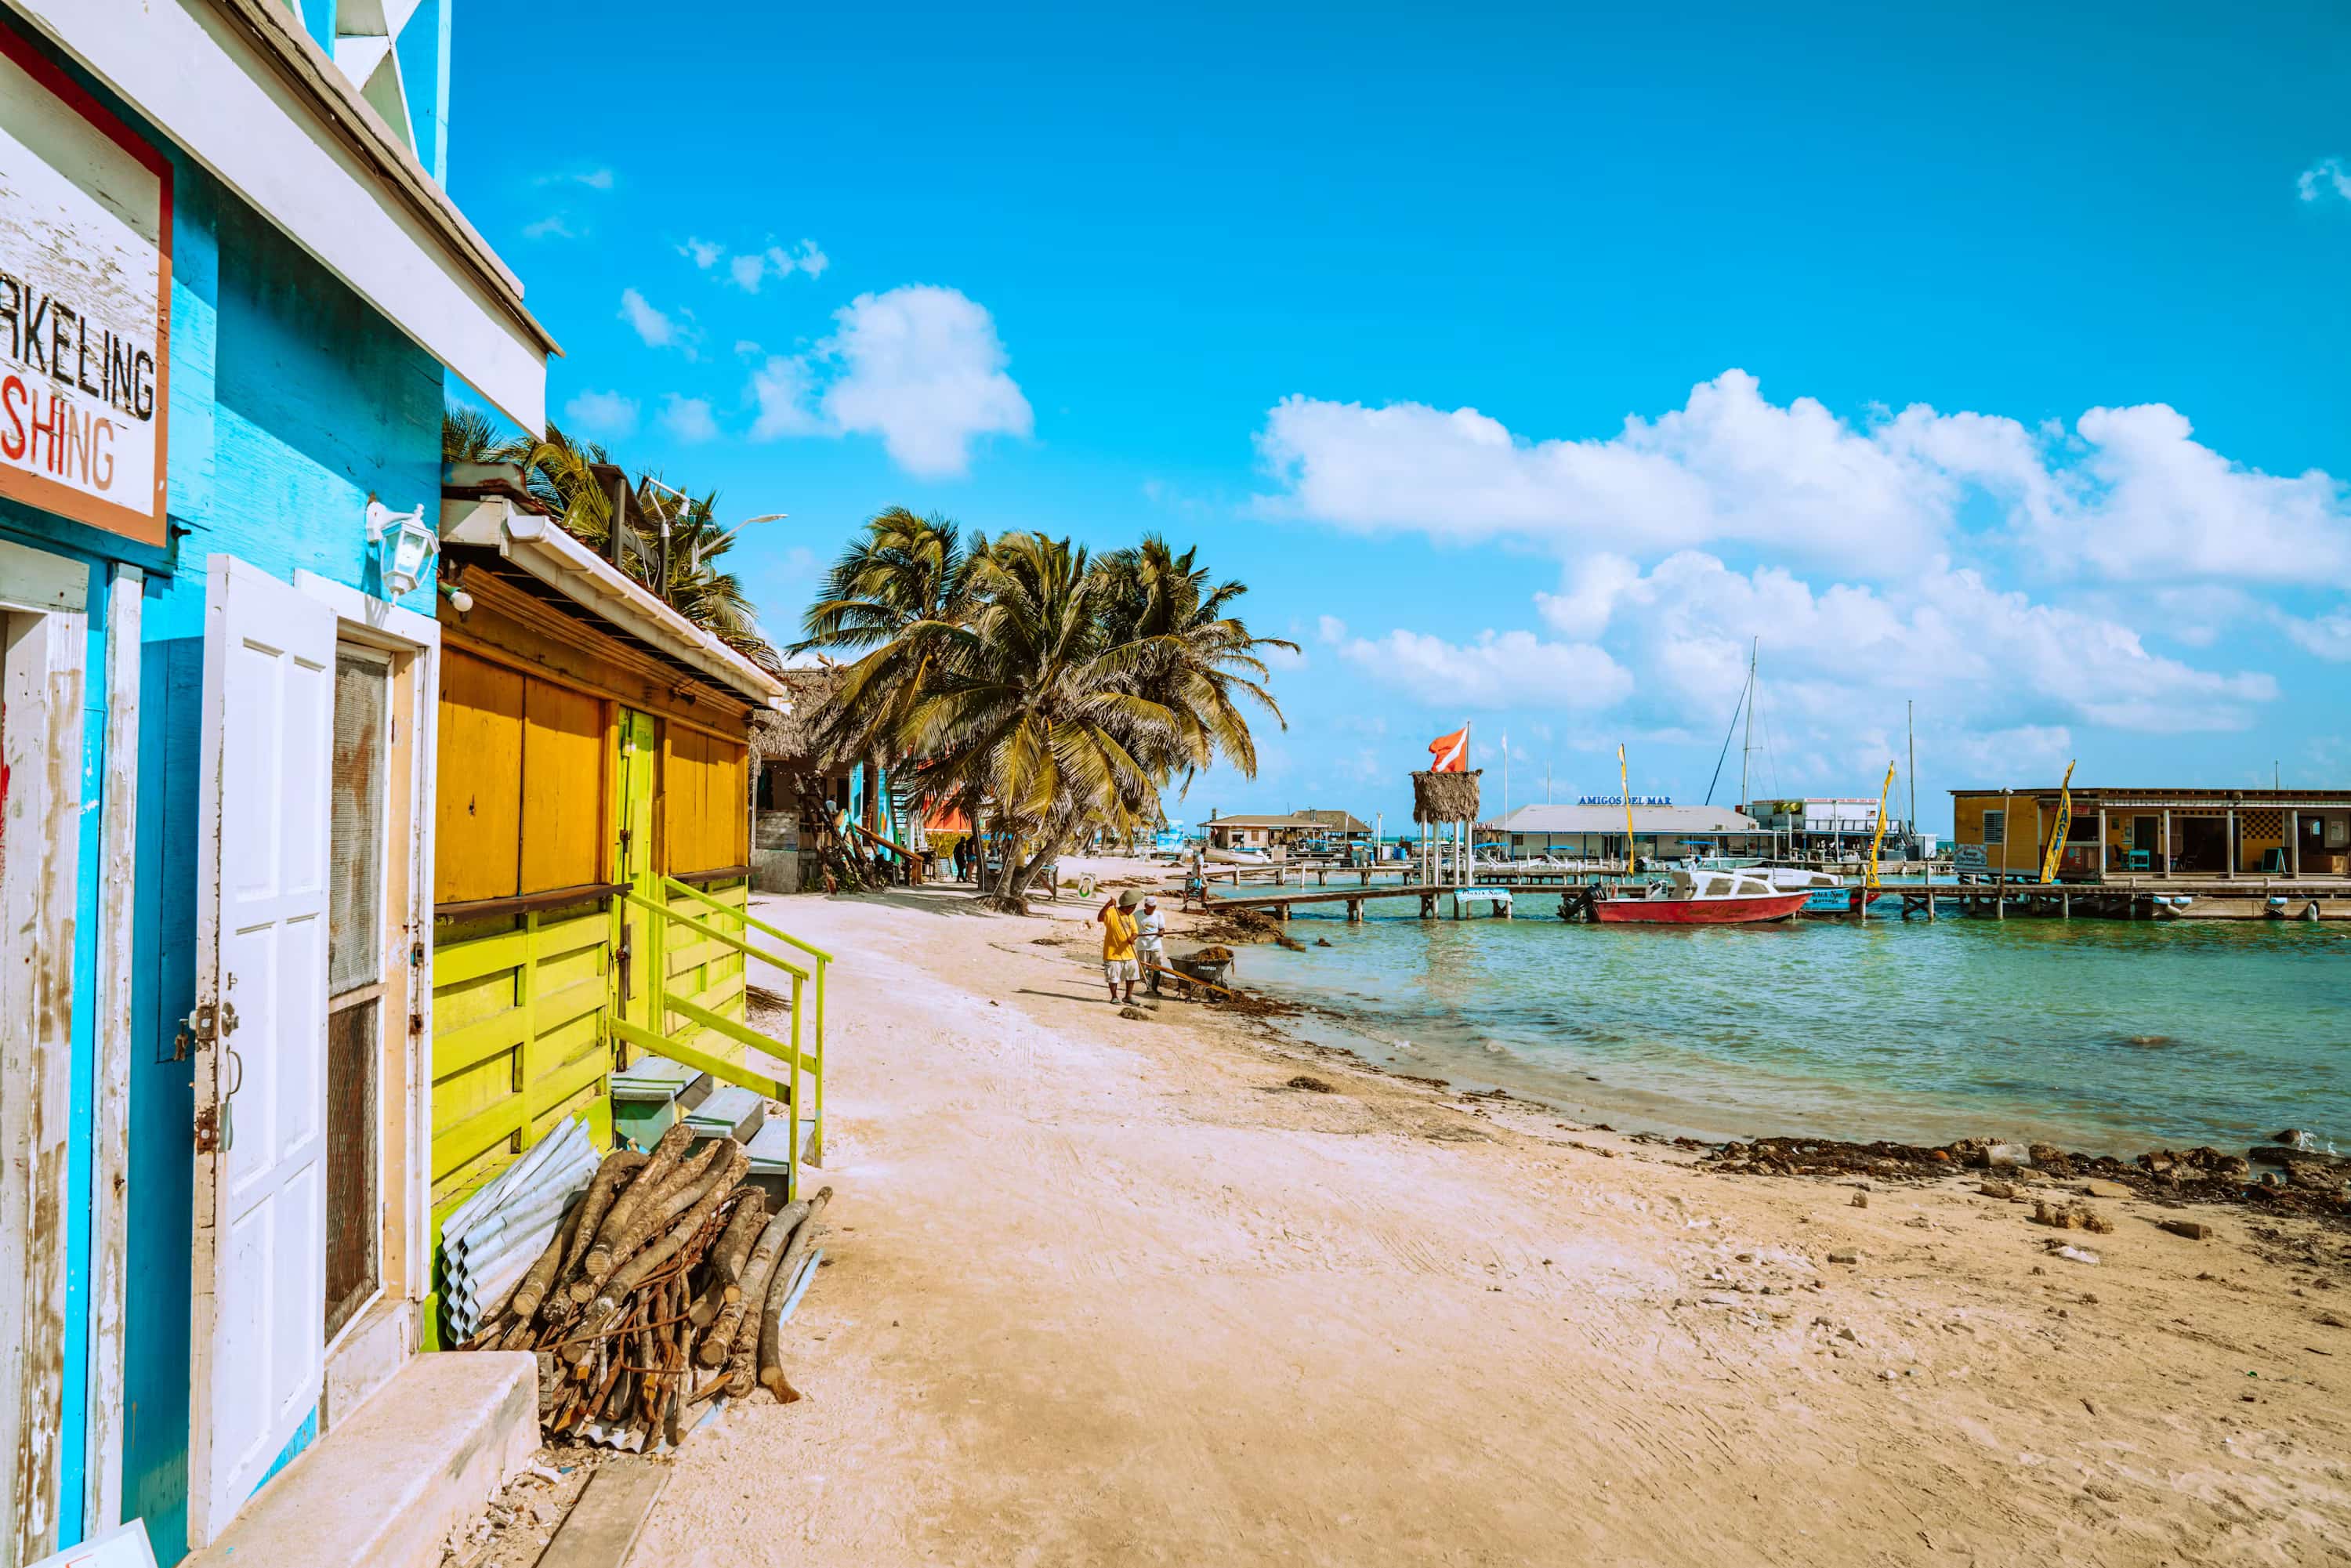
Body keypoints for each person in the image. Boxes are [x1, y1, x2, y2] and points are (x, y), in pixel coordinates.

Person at [1098, 889, 1141, 1005]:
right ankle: (1114, 997)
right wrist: (1107, 905)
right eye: (1133, 908)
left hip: (1129, 952)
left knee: (1132, 973)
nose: (1133, 910)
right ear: (1128, 907)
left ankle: (1128, 996)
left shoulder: (1131, 917)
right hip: (1113, 952)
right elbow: (1100, 918)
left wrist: (1133, 938)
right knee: (1113, 976)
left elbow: (1135, 932)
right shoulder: (1113, 912)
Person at [1133, 893, 1167, 996]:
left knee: (1157, 967)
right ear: (1146, 906)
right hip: (1142, 945)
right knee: (1144, 968)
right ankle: (1149, 987)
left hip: (1156, 945)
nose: (1153, 908)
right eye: (1151, 907)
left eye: (1154, 907)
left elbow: (1162, 929)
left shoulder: (1159, 915)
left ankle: (1155, 988)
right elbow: (1131, 928)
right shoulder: (1137, 915)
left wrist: (1161, 932)